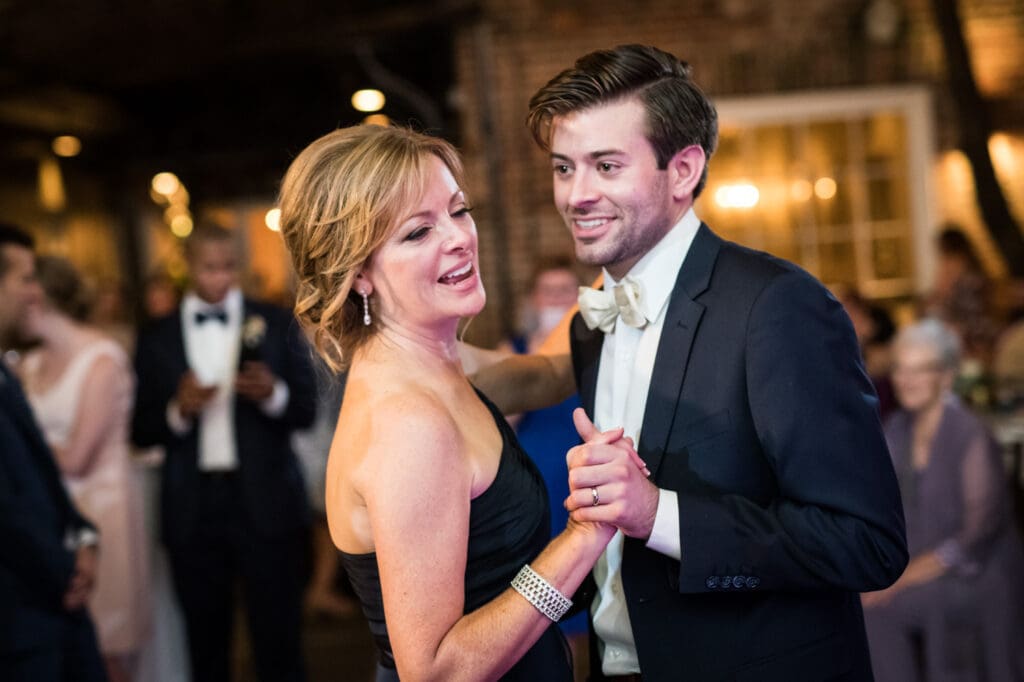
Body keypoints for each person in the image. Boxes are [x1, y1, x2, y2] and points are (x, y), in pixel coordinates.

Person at [522, 44, 909, 680]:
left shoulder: (777, 307)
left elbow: (867, 542)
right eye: (564, 168)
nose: (576, 194)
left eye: (606, 166)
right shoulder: (594, 320)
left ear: (683, 170)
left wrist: (657, 514)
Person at [276, 124, 644, 681]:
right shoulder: (409, 423)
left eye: (458, 210)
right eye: (418, 232)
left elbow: (546, 373)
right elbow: (438, 671)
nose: (458, 238)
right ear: (359, 275)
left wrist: (625, 262)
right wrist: (582, 538)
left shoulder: (439, 363)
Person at [130, 222, 316, 682]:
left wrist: (273, 395)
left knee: (279, 641)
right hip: (193, 507)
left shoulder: (273, 322)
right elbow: (140, 429)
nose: (220, 278)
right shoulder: (157, 336)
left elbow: (307, 410)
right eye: (209, 268)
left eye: (229, 267)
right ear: (188, 267)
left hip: (266, 500)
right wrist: (178, 410)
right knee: (205, 643)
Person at [862, 319, 1024, 682]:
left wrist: (900, 580)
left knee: (880, 609)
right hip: (920, 566)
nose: (907, 379)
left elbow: (976, 536)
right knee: (862, 602)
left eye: (921, 370)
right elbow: (881, 503)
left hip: (976, 575)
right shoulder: (896, 428)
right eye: (901, 368)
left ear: (947, 375)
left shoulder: (971, 433)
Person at [18, 256, 149, 682]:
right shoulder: (28, 364)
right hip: (50, 521)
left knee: (108, 652)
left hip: (103, 516)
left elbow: (77, 458)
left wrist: (19, 454)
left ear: (37, 298)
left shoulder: (102, 360)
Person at [0, 224, 108, 682]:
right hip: (20, 615)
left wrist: (83, 534)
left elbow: (40, 472)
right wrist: (65, 570)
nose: (32, 292)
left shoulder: (7, 368)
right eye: (24, 278)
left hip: (53, 607)